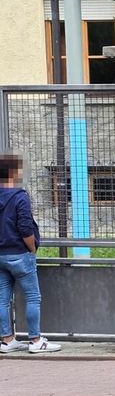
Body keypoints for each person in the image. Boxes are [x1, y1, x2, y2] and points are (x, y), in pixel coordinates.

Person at [0, 151, 60, 354]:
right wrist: (32, 248)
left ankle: (7, 340)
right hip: (20, 253)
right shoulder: (20, 197)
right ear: (12, 173)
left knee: (2, 299)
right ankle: (35, 340)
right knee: (33, 297)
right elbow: (25, 227)